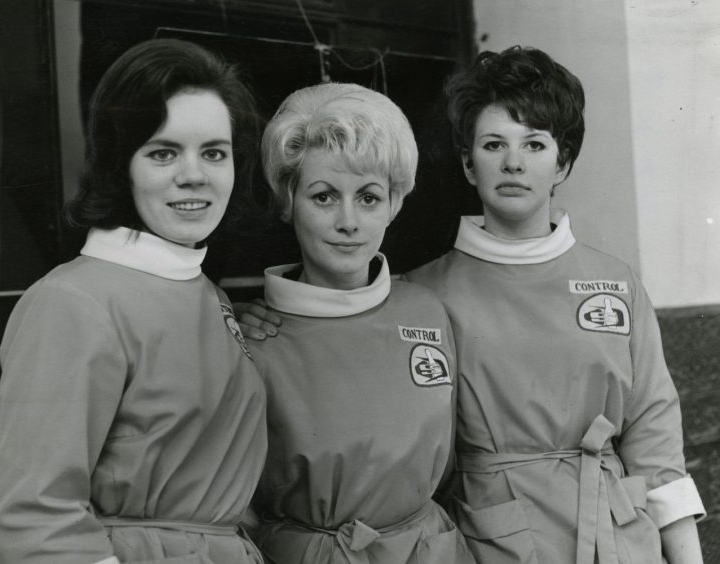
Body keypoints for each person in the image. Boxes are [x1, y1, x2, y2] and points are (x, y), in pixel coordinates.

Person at [238, 47, 706, 564]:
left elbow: (656, 443)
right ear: (466, 161)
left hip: (619, 538)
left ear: (563, 162)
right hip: (496, 542)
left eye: (534, 143)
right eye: (493, 144)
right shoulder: (423, 298)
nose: (513, 162)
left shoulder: (615, 282)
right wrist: (264, 320)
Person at [0, 38, 267, 564]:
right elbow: (35, 524)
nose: (194, 174)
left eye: (214, 152)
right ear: (121, 165)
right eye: (163, 152)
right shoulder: (71, 303)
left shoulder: (207, 294)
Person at [243, 82, 473, 564]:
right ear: (288, 201)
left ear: (395, 202)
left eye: (368, 198)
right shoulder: (254, 339)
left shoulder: (426, 313)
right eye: (324, 197)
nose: (348, 221)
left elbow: (451, 463)